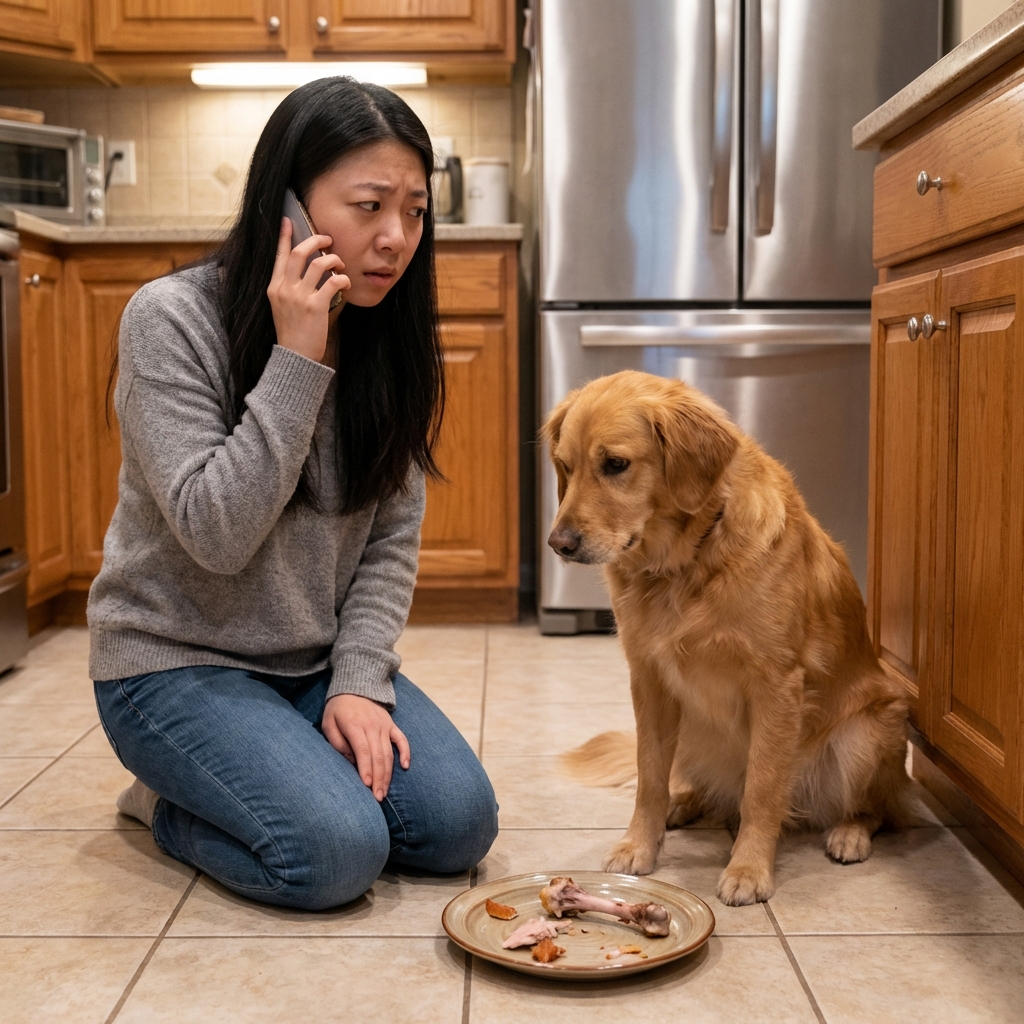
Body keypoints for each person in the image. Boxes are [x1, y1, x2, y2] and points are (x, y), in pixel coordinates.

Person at [89, 78, 498, 911]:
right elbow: (217, 536)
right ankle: (166, 805)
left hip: (309, 664)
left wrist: (357, 680)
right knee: (335, 855)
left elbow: (391, 538)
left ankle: (269, 766)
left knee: (457, 827)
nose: (396, 239)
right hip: (173, 663)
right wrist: (297, 361)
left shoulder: (386, 332)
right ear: (289, 207)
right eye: (369, 205)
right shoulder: (169, 319)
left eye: (416, 211)